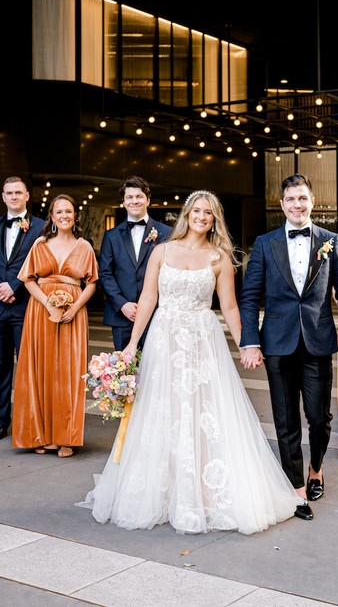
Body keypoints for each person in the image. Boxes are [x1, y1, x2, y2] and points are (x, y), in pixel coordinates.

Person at [80, 190, 302, 534]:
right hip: (164, 338)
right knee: (162, 409)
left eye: (209, 213)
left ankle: (204, 493)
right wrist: (132, 345)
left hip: (202, 339)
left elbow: (229, 305)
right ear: (187, 213)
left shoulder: (219, 258)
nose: (202, 216)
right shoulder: (162, 251)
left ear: (214, 220)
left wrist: (247, 343)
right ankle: (164, 490)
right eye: (197, 210)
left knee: (204, 411)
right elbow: (148, 298)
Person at [239, 174, 338, 521]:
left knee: (319, 418)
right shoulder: (264, 243)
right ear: (282, 204)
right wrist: (250, 341)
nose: (297, 205)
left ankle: (316, 468)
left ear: (311, 201)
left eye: (302, 198)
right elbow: (249, 297)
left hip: (318, 342)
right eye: (290, 199)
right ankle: (296, 489)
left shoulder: (331, 241)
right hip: (277, 342)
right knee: (285, 419)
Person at [12, 194, 98, 456]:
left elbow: (91, 282)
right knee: (41, 369)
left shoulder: (85, 247)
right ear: (51, 216)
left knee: (68, 373)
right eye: (59, 212)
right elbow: (28, 280)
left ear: (75, 216)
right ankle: (41, 434)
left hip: (73, 314)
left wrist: (74, 307)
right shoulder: (40, 244)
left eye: (69, 212)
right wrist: (47, 304)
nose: (64, 216)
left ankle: (65, 437)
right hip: (41, 312)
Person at [0, 176, 45, 442]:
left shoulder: (41, 227)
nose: (14, 197)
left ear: (27, 196)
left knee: (29, 367)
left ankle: (30, 422)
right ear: (3, 197)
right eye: (9, 193)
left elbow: (40, 263)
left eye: (18, 192)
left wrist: (14, 286)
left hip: (25, 306)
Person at [99, 176, 172, 350]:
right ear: (123, 202)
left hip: (156, 312)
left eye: (139, 196)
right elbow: (105, 274)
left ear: (147, 200)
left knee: (155, 369)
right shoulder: (111, 236)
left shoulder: (167, 233)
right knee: (124, 370)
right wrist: (122, 304)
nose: (134, 201)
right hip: (122, 314)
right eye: (129, 197)